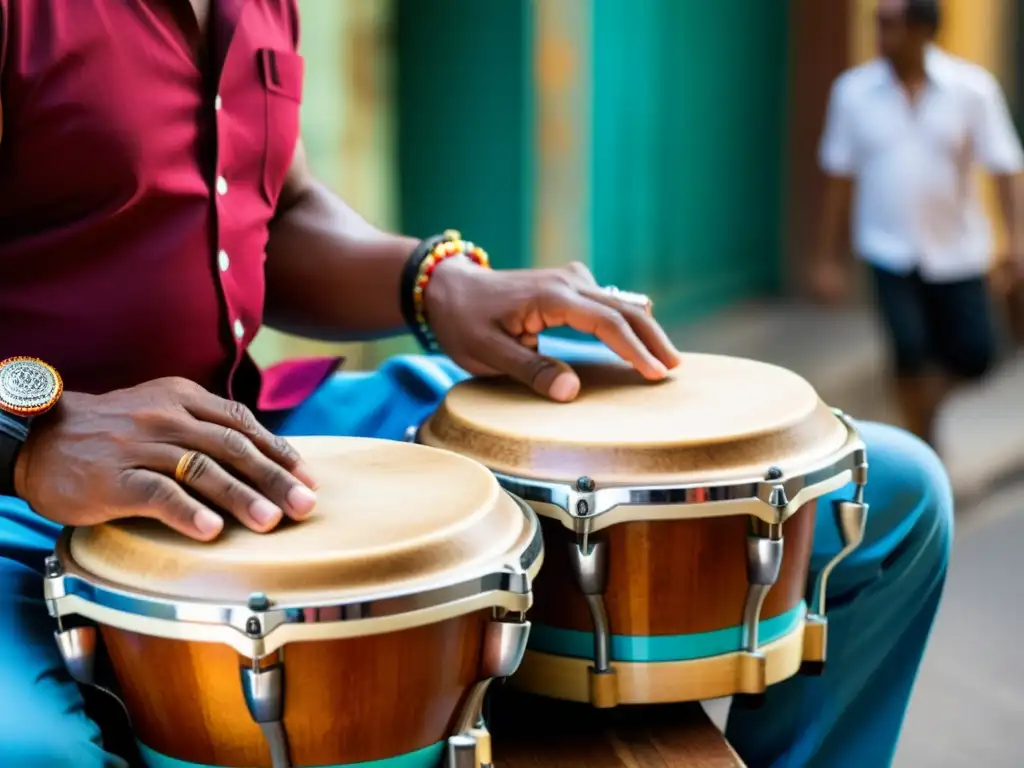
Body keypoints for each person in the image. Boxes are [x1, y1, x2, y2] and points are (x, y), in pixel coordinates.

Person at [0, 2, 951, 767]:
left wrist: (436, 281)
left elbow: (271, 207)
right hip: (17, 503)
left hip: (259, 437)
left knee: (893, 497)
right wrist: (32, 432)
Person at [812, 0, 1024, 446]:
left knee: (975, 355)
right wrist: (828, 257)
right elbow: (838, 179)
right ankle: (923, 443)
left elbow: (1005, 167)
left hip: (958, 251)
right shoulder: (852, 92)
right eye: (878, 24)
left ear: (924, 30)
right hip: (888, 248)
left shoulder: (972, 90)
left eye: (891, 25)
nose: (881, 36)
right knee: (908, 354)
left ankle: (924, 415)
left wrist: (1016, 240)